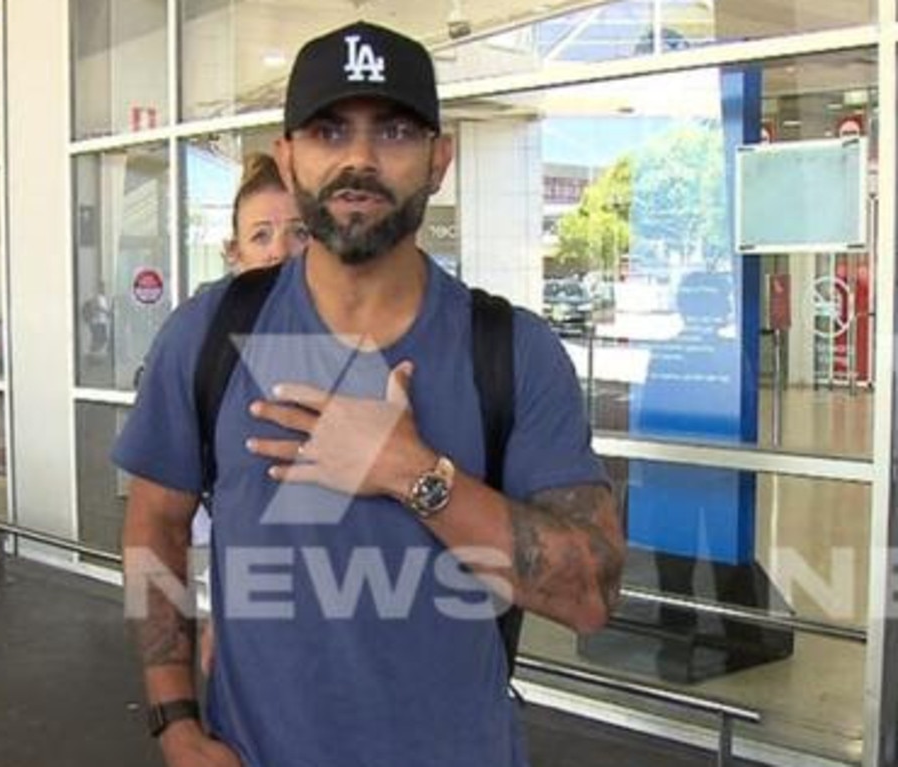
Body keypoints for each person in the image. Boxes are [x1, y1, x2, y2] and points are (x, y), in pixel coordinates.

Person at [116, 20, 623, 767]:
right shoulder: (211, 332)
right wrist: (175, 718)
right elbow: (154, 523)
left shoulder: (511, 351)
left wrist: (411, 471)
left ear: (439, 158)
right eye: (328, 132)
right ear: (288, 160)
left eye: (393, 130)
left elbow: (589, 592)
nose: (359, 158)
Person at [193, 152, 309, 672]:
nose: (280, 251)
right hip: (254, 620)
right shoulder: (207, 350)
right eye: (261, 236)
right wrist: (219, 607)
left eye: (300, 232)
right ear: (233, 252)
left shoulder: (369, 349)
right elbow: (197, 505)